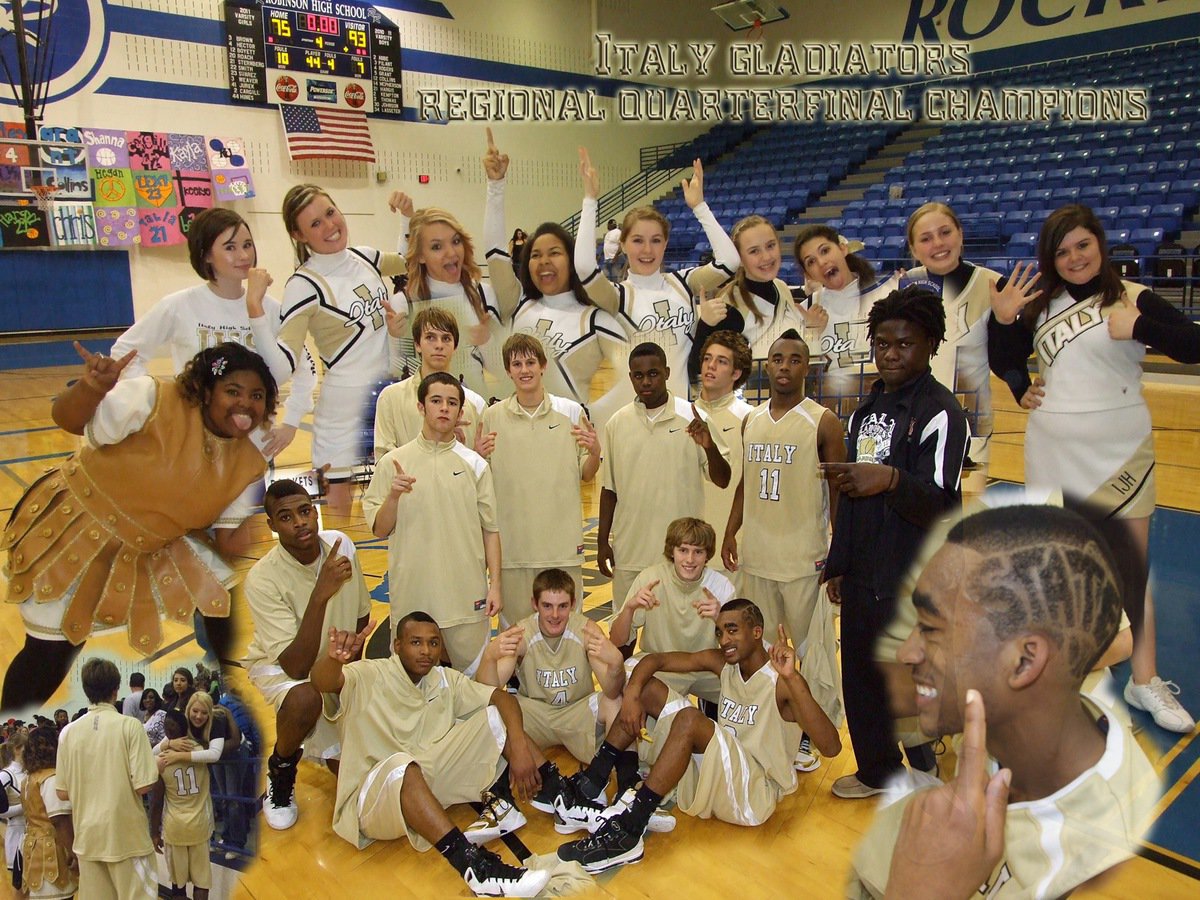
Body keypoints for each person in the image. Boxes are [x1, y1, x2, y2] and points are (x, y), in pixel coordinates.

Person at [848, 504, 1160, 898]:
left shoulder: (1094, 850)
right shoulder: (990, 727)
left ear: (1025, 660)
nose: (908, 652)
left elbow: (1122, 640)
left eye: (930, 629)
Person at [988, 203, 1200, 734]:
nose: (1074, 257)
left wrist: (1142, 325)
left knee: (1132, 570)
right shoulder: (1039, 302)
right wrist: (1012, 355)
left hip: (1122, 448)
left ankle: (1143, 679)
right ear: (1050, 259)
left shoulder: (1130, 296)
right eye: (1062, 251)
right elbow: (1006, 356)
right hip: (1053, 452)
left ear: (1100, 244)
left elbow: (1194, 344)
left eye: (1082, 244)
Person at [1, 342, 275, 709]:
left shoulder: (250, 463)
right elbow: (68, 420)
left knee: (218, 590)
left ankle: (226, 687)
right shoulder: (153, 398)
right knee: (53, 649)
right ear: (207, 391)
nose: (246, 404)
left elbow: (227, 536)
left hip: (150, 543)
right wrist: (92, 388)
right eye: (233, 392)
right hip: (79, 528)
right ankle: (9, 732)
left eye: (256, 396)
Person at [555, 600, 841, 871]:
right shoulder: (724, 665)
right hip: (717, 774)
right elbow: (655, 660)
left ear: (757, 633)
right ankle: (591, 783)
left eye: (732, 630)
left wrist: (793, 677)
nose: (724, 640)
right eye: (719, 632)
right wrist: (630, 696)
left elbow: (831, 747)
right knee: (647, 689)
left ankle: (629, 831)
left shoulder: (780, 682)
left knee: (691, 719)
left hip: (753, 794)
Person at [823, 286, 969, 799]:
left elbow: (942, 503)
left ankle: (929, 768)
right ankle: (877, 770)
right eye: (881, 343)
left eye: (902, 344)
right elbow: (853, 494)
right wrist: (841, 563)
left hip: (914, 575)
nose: (890, 353)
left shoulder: (941, 412)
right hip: (865, 570)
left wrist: (889, 480)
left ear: (929, 343)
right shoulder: (867, 410)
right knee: (861, 675)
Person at [310, 613, 551, 897]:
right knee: (403, 766)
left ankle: (562, 796)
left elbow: (502, 699)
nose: (426, 651)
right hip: (372, 800)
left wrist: (520, 748)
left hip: (420, 786)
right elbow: (323, 681)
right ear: (397, 646)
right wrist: (335, 660)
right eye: (416, 642)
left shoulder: (442, 678)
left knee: (496, 716)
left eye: (433, 643)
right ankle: (475, 869)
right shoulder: (368, 673)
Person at [722, 330, 846, 770]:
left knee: (812, 653)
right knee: (756, 647)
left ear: (806, 367)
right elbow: (745, 481)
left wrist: (840, 553)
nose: (784, 367)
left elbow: (838, 491)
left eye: (794, 360)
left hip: (802, 558)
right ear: (766, 365)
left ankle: (814, 729)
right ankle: (766, 718)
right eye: (777, 358)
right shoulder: (750, 420)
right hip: (757, 554)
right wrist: (730, 529)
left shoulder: (823, 422)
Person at [109, 206, 315, 460]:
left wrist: (292, 423)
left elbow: (305, 368)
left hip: (251, 448)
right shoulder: (178, 305)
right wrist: (153, 405)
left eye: (247, 245)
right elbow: (124, 352)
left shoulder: (270, 309)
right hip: (193, 444)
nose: (243, 255)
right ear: (206, 255)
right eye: (230, 247)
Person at [252, 183, 407, 516]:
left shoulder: (366, 256)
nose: (330, 226)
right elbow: (281, 365)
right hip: (343, 416)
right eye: (315, 224)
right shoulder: (302, 286)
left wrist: (407, 219)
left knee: (402, 501)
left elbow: (409, 263)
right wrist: (255, 309)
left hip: (391, 401)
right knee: (340, 519)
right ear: (299, 235)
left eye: (330, 213)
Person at [243, 478, 371, 830]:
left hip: (335, 659)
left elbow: (361, 612)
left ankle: (330, 738)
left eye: (304, 511)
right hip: (282, 667)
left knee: (358, 770)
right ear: (271, 525)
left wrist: (352, 677)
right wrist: (321, 592)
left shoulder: (341, 545)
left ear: (314, 512)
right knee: (304, 700)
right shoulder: (262, 579)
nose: (299, 522)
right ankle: (282, 770)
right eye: (286, 517)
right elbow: (295, 666)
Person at [575, 149, 739, 418]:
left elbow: (730, 262)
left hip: (682, 415)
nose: (647, 250)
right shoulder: (618, 296)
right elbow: (583, 267)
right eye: (638, 240)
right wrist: (590, 200)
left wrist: (700, 207)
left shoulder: (683, 283)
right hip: (635, 416)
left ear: (665, 244)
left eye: (656, 240)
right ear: (624, 246)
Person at [362, 373, 500, 671]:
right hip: (414, 596)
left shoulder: (475, 464)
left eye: (452, 403)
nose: (444, 408)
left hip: (466, 596)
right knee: (412, 690)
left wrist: (496, 585)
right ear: (421, 407)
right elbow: (380, 528)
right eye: (436, 401)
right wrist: (394, 496)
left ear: (460, 413)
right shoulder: (393, 464)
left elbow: (491, 530)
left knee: (477, 683)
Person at [475, 568, 625, 808]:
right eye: (547, 606)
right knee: (492, 715)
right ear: (534, 604)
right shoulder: (522, 632)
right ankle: (539, 782)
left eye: (563, 606)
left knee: (616, 703)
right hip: (535, 715)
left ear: (573, 604)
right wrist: (489, 658)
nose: (555, 615)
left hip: (576, 711)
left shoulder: (586, 630)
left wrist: (617, 664)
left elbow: (611, 690)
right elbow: (489, 692)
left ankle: (625, 785)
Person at [598, 343, 731, 611]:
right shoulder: (616, 424)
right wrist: (602, 543)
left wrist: (709, 445)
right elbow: (609, 490)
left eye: (654, 373)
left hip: (682, 556)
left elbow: (723, 478)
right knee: (624, 635)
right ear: (631, 377)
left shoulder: (694, 418)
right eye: (639, 375)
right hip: (631, 551)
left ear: (667, 373)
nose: (646, 381)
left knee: (680, 638)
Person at [478, 334, 601, 618]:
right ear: (508, 371)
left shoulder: (570, 411)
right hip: (512, 551)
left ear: (543, 365)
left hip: (562, 547)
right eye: (517, 364)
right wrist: (478, 455)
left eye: (530, 362)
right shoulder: (492, 417)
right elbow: (482, 480)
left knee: (568, 630)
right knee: (516, 636)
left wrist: (595, 451)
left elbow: (586, 473)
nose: (525, 370)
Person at [392, 129, 520, 399]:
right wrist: (393, 337)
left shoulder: (482, 295)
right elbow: (394, 375)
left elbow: (504, 374)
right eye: (437, 247)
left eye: (455, 241)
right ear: (421, 255)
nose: (451, 253)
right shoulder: (405, 304)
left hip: (474, 420)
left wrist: (485, 340)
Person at [903, 203, 1012, 483]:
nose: (938, 243)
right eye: (926, 239)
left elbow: (1008, 362)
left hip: (971, 430)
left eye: (945, 232)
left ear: (960, 235)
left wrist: (1006, 322)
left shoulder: (994, 285)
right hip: (914, 425)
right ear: (914, 250)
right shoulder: (905, 286)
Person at [492, 221, 627, 424]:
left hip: (567, 438)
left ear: (572, 262)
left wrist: (592, 414)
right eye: (535, 255)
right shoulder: (518, 307)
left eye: (554, 253)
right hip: (514, 430)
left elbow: (633, 373)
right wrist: (495, 189)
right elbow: (494, 255)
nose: (544, 261)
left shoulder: (593, 319)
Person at [56, 658, 158, 900]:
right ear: (116, 689)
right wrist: (158, 764)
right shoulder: (131, 726)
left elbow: (62, 792)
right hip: (127, 839)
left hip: (88, 839)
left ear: (86, 690)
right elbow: (144, 786)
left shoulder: (68, 733)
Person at [610, 518, 734, 710]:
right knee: (622, 685)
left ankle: (710, 711)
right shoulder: (650, 578)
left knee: (753, 684)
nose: (690, 560)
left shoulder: (721, 585)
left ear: (707, 555)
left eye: (698, 552)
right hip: (660, 666)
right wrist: (629, 609)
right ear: (672, 551)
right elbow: (617, 640)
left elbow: (740, 646)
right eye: (683, 550)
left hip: (705, 668)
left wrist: (721, 619)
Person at [689, 216, 825, 379]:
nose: (766, 257)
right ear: (739, 259)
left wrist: (811, 331)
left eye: (770, 246)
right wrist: (705, 326)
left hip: (794, 395)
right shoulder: (730, 308)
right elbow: (698, 369)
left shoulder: (781, 287)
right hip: (756, 399)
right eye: (754, 251)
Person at [793, 224, 900, 414]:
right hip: (833, 403)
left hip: (887, 396)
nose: (821, 262)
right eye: (811, 262)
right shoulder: (807, 309)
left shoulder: (886, 292)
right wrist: (812, 334)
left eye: (825, 251)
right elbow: (803, 373)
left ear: (843, 249)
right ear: (808, 274)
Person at [373, 307, 488, 460]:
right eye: (430, 337)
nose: (439, 345)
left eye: (446, 338)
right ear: (417, 345)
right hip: (411, 482)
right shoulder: (391, 397)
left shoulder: (476, 404)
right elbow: (384, 461)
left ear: (455, 347)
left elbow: (483, 463)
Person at [692, 331, 754, 582]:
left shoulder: (751, 419)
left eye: (721, 361)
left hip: (732, 550)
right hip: (688, 550)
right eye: (707, 359)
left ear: (736, 373)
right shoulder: (682, 414)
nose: (711, 366)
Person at [150, 710, 214, 900]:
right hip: (200, 824)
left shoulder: (161, 759)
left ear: (166, 732)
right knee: (202, 883)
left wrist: (154, 831)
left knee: (178, 886)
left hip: (174, 827)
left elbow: (156, 801)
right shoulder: (201, 751)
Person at [17, 726, 75, 900]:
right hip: (52, 850)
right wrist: (73, 852)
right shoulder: (51, 778)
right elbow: (59, 820)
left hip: (33, 846)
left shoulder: (28, 779)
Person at [1, 728, 27, 891]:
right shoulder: (6, 775)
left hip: (32, 836)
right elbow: (1, 811)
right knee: (19, 891)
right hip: (16, 835)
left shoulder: (29, 772)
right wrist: (26, 806)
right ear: (17, 749)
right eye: (27, 747)